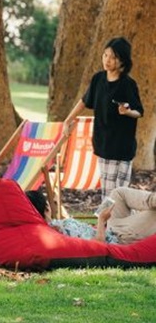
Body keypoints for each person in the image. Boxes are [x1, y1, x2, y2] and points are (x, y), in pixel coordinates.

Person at [63, 37, 144, 203]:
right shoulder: (98, 79)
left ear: (123, 61)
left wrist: (127, 112)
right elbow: (84, 101)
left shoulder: (128, 84)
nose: (107, 60)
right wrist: (67, 120)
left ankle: (116, 224)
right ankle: (110, 225)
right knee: (109, 192)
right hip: (105, 143)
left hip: (124, 146)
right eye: (105, 55)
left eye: (113, 57)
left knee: (121, 193)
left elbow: (139, 112)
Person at [24, 190, 119, 243]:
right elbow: (98, 244)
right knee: (120, 193)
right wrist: (101, 220)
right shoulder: (59, 230)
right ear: (47, 209)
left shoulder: (53, 227)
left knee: (118, 193)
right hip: (118, 239)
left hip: (113, 231)